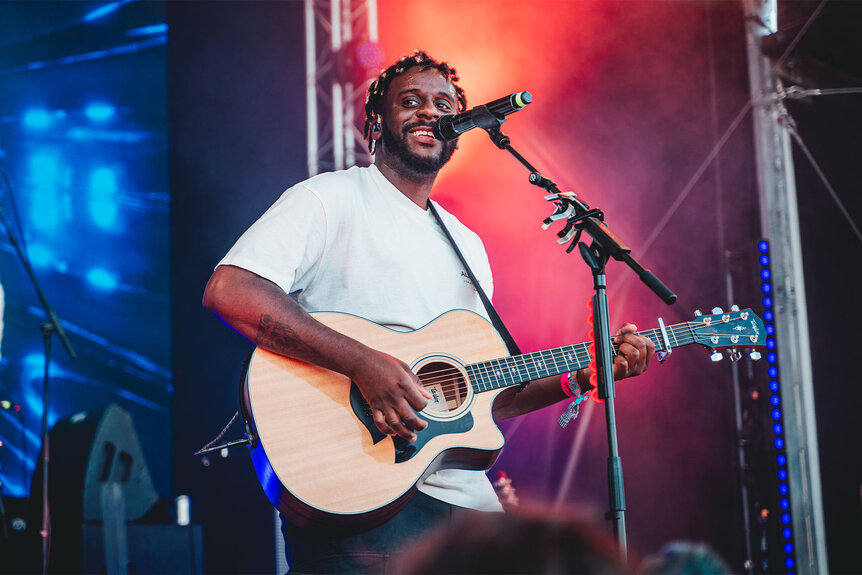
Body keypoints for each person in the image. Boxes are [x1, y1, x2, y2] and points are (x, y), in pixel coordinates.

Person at [203, 49, 655, 574]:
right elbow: (229, 291)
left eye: (444, 104)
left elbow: (481, 396)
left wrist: (583, 377)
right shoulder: (330, 198)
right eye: (410, 101)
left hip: (462, 502)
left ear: (459, 130)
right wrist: (362, 364)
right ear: (376, 122)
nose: (428, 111)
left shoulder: (466, 243)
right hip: (355, 488)